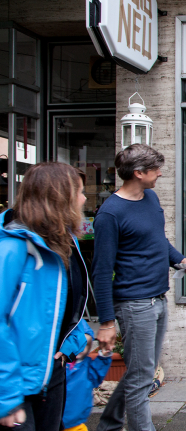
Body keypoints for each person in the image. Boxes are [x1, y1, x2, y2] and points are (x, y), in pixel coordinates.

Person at [92, 144, 186, 431]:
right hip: (134, 304)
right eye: (155, 170)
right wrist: (105, 322)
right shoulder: (110, 214)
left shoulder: (150, 198)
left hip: (159, 298)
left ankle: (108, 425)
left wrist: (180, 261)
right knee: (142, 378)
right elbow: (101, 272)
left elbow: (157, 241)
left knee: (139, 373)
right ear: (138, 173)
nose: (160, 174)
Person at [0, 162, 90, 430]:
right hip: (17, 383)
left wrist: (78, 337)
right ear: (60, 197)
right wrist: (7, 397)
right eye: (80, 192)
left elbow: (65, 304)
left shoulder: (63, 243)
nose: (85, 199)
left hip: (52, 372)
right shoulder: (12, 248)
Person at [62, 319, 112, 431]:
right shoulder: (59, 365)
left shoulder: (86, 365)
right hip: (56, 421)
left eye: (85, 345)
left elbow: (97, 375)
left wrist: (104, 356)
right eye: (78, 345)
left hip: (77, 423)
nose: (80, 350)